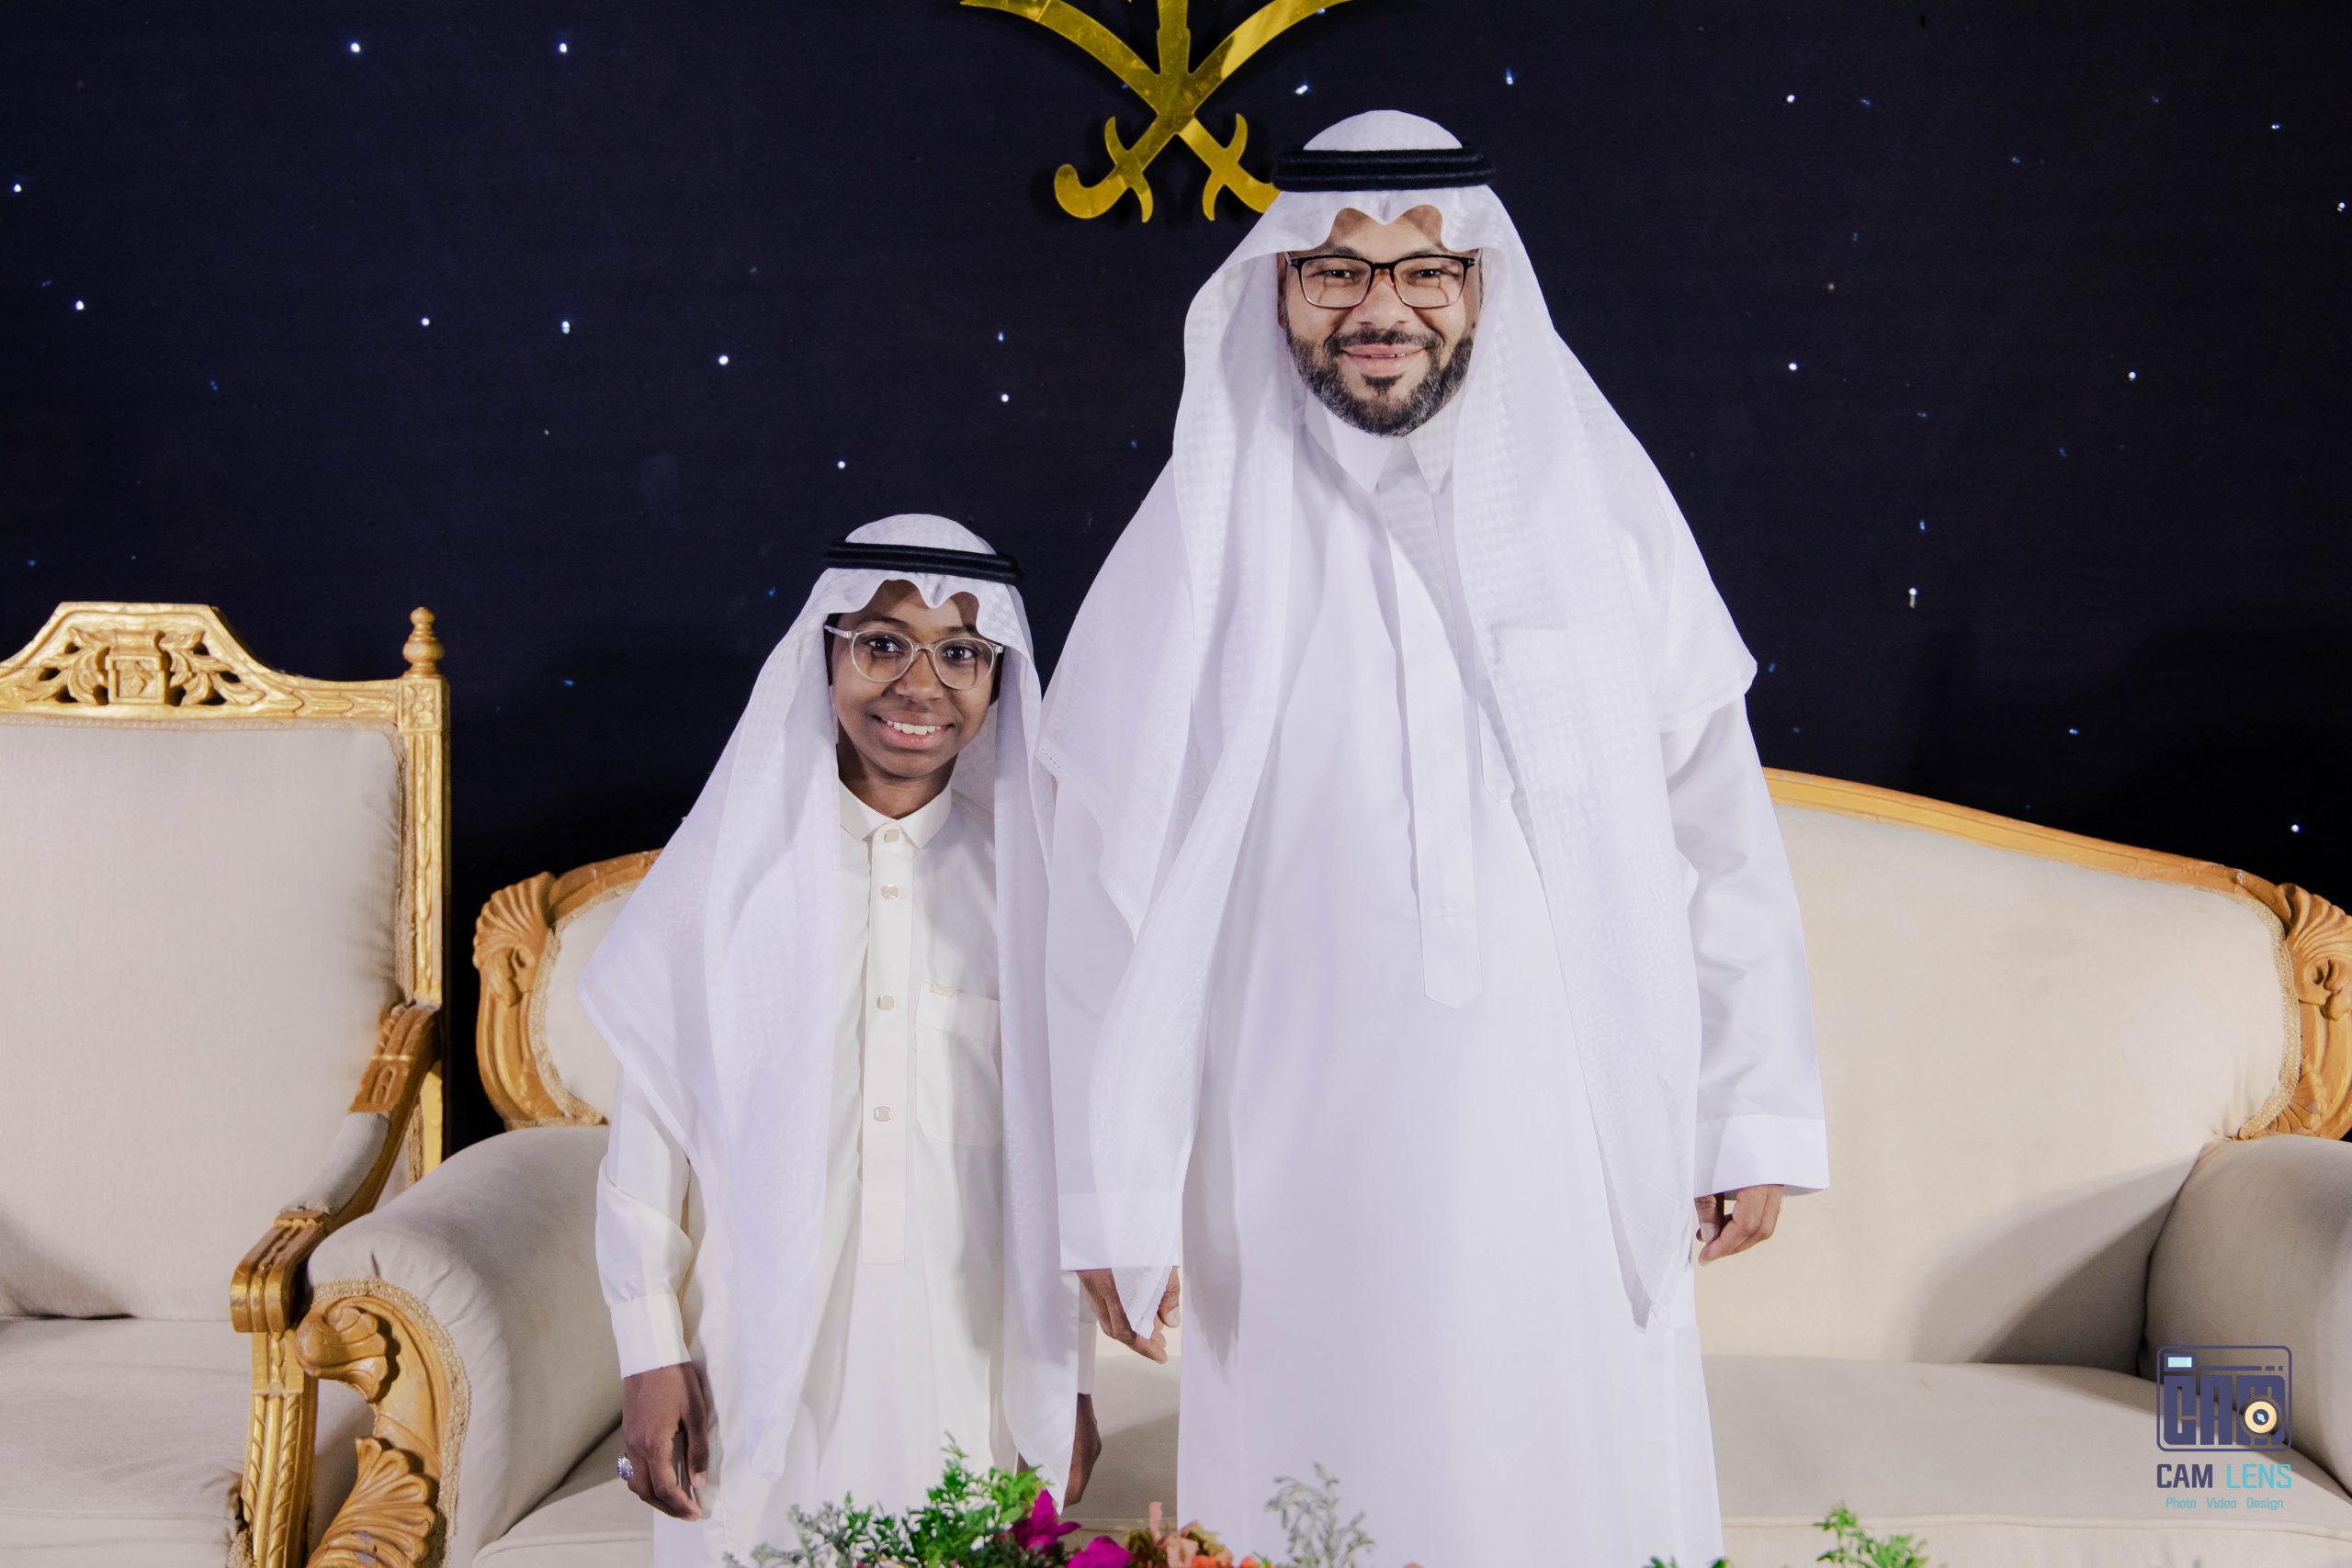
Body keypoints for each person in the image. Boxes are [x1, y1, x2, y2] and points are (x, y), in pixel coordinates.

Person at [1036, 113, 1829, 1564]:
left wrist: (1744, 1106)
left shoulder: (1601, 514)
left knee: (1570, 1487)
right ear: (1279, 289)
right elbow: (1096, 881)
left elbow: (1714, 820)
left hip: (1570, 1136)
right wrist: (1111, 1188)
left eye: (1426, 270)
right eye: (1337, 271)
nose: (1382, 308)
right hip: (1283, 1152)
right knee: (1311, 1490)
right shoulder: (1198, 535)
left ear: (1480, 290)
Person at [581, 515, 1096, 1564]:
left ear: (997, 679)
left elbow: (1061, 1162)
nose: (920, 685)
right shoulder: (734, 872)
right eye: (883, 643)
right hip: (750, 1361)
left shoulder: (1029, 892)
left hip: (967, 1366)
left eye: (960, 653)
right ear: (825, 655)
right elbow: (649, 1133)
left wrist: (1070, 1378)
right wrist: (647, 1347)